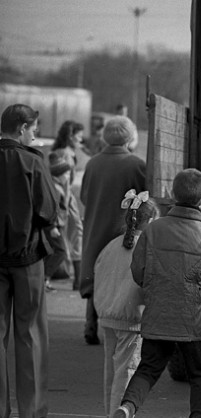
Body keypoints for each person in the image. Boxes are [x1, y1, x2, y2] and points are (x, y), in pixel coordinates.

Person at [114, 169, 201, 418]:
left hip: (157, 315)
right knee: (199, 375)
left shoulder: (153, 230)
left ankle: (127, 407)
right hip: (192, 321)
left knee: (148, 369)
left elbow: (138, 272)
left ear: (172, 194)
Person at [0, 104, 58, 417]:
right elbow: (49, 210)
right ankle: (31, 411)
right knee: (30, 334)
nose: (34, 135)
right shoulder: (32, 161)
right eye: (33, 129)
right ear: (22, 127)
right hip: (28, 258)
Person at [79, 116, 146, 345]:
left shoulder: (92, 163)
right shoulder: (137, 165)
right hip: (122, 228)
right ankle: (118, 325)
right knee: (118, 272)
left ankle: (90, 323)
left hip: (96, 224)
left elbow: (84, 196)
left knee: (95, 271)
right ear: (129, 136)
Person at [94, 190, 159, 417]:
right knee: (126, 372)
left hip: (108, 315)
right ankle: (119, 414)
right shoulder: (149, 248)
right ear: (151, 221)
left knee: (110, 374)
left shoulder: (111, 246)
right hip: (133, 318)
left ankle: (109, 413)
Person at [51, 120, 84, 288]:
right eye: (78, 136)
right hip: (65, 199)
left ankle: (76, 278)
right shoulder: (65, 153)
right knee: (75, 233)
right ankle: (77, 279)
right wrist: (65, 206)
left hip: (66, 198)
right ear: (70, 136)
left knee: (74, 235)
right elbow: (62, 182)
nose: (81, 140)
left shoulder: (66, 152)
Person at [43, 150, 74, 291]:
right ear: (59, 174)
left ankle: (44, 279)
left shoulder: (60, 186)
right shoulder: (55, 188)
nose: (68, 176)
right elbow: (51, 208)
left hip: (57, 223)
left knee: (57, 250)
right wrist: (53, 226)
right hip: (54, 225)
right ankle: (44, 278)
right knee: (60, 251)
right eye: (66, 173)